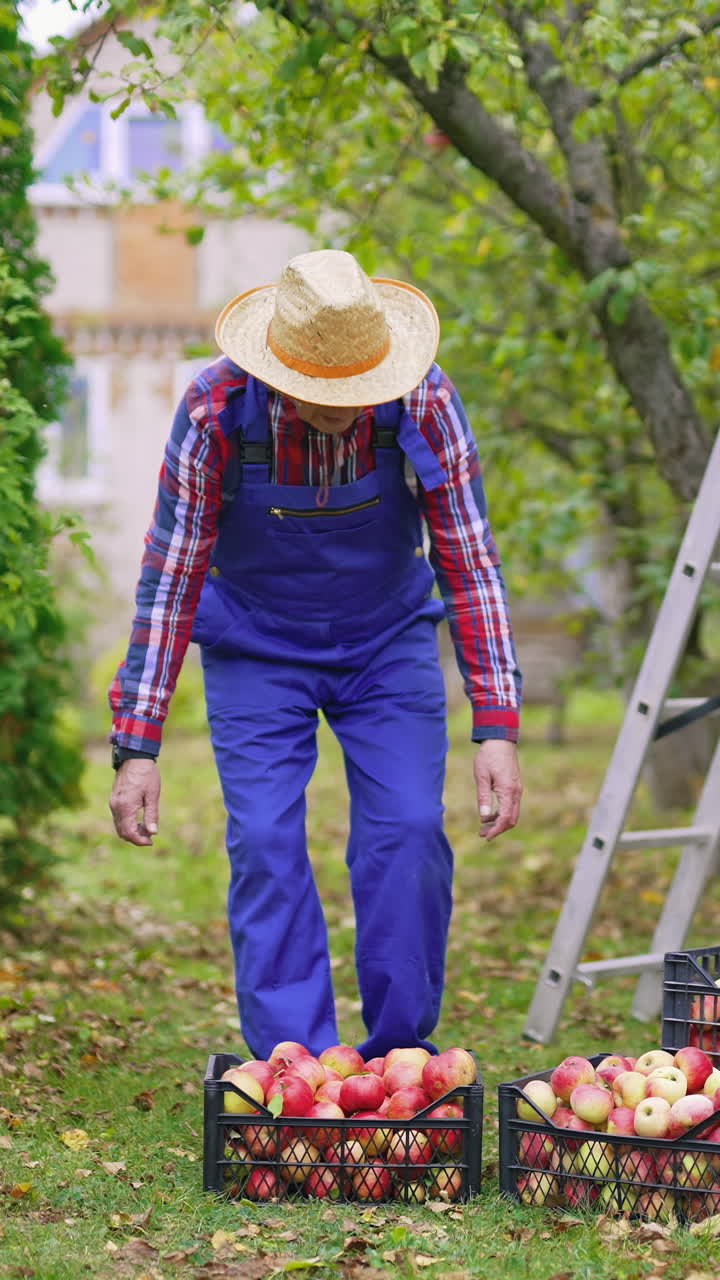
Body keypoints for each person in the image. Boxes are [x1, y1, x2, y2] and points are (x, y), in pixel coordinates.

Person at [109, 249, 522, 1061]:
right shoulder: (214, 412)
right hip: (257, 649)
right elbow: (172, 572)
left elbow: (469, 561)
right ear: (278, 367)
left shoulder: (424, 399)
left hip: (386, 644)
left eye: (360, 389)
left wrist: (497, 723)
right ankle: (295, 1067)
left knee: (407, 828)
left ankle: (401, 1055)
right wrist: (137, 745)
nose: (348, 406)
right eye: (328, 391)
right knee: (264, 841)